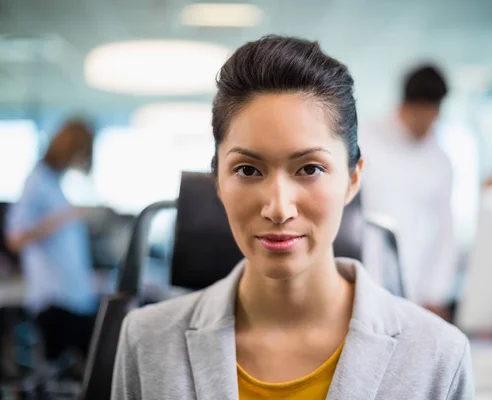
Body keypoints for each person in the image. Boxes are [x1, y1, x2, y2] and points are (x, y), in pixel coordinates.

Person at [112, 36, 473, 400]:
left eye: (310, 168)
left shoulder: (437, 356)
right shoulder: (146, 341)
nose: (279, 209)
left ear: (352, 180)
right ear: (217, 181)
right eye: (248, 170)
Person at [360, 65, 456, 320]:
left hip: (416, 287)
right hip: (364, 273)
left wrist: (437, 291)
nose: (427, 125)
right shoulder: (365, 139)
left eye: (433, 116)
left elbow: (445, 231)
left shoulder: (439, 159)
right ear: (405, 106)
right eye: (421, 116)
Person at [4, 119, 98, 370]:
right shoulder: (37, 182)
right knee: (62, 374)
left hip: (74, 296)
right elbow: (15, 238)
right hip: (55, 298)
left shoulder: (53, 184)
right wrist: (65, 216)